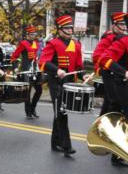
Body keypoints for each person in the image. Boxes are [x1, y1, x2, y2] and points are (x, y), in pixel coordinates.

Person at [39, 15, 90, 156]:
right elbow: (43, 62)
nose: (69, 30)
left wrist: (83, 75)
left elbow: (78, 66)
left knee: (60, 112)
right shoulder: (53, 43)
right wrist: (57, 69)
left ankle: (55, 143)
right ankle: (65, 145)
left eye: (70, 27)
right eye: (67, 28)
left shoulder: (76, 44)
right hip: (56, 82)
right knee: (61, 112)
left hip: (69, 83)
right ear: (60, 30)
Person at [99, 11, 128, 167]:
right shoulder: (123, 41)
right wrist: (124, 72)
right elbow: (104, 59)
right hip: (124, 85)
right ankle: (117, 155)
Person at [92, 12, 127, 116]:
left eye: (125, 25)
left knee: (109, 101)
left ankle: (101, 125)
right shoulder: (108, 38)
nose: (124, 28)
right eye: (121, 25)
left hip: (120, 74)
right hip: (109, 73)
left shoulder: (125, 39)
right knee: (114, 101)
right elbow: (96, 56)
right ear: (114, 26)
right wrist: (108, 67)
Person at [11, 25, 43, 118]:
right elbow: (14, 56)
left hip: (35, 70)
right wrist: (16, 67)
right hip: (26, 70)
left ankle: (33, 108)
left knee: (39, 90)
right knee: (27, 92)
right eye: (32, 34)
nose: (33, 36)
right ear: (28, 34)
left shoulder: (36, 44)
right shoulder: (23, 43)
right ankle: (28, 112)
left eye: (34, 34)